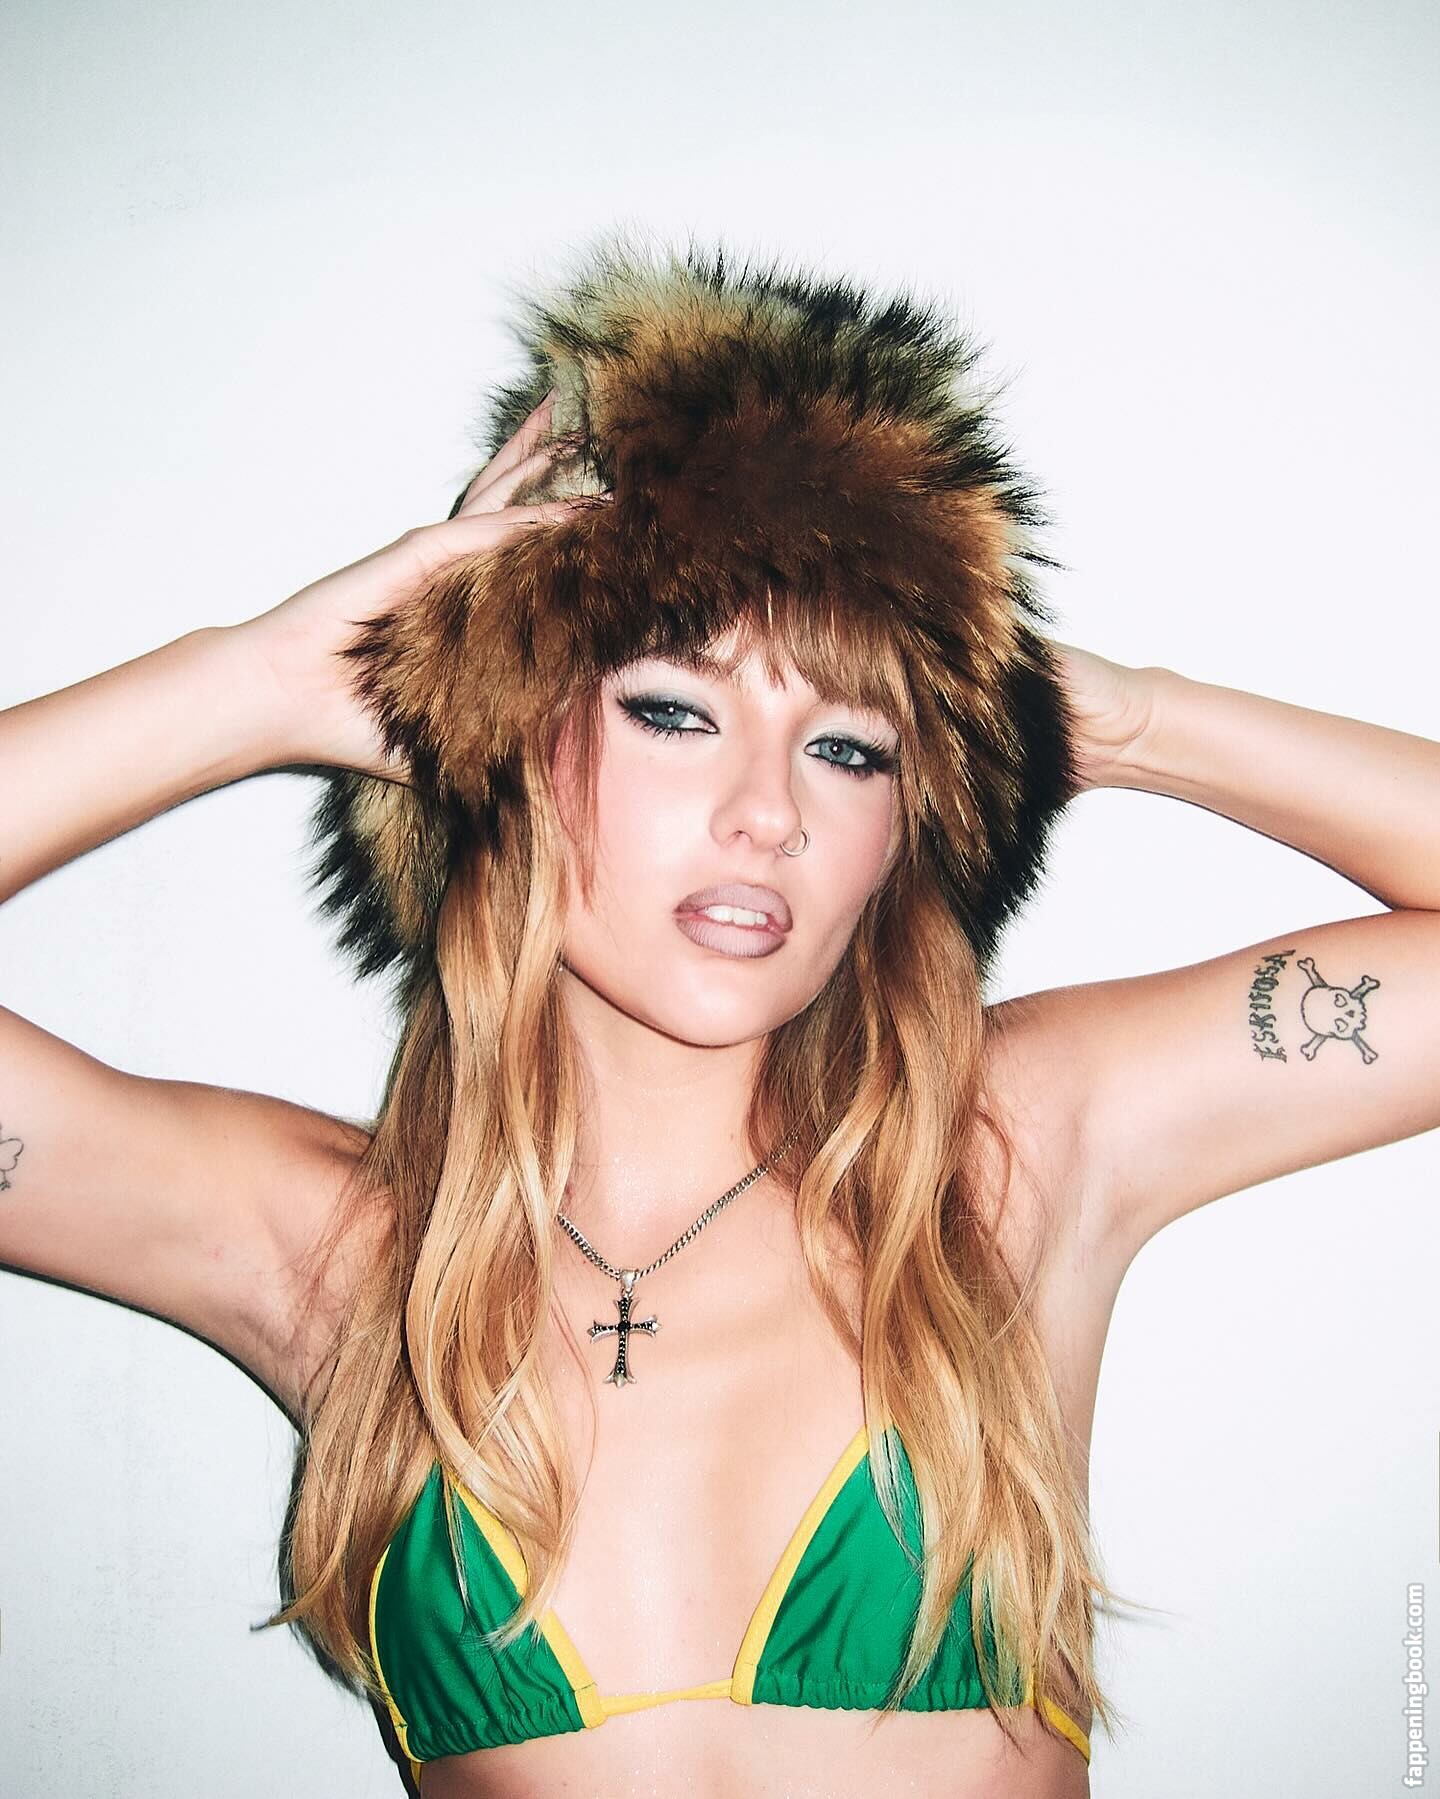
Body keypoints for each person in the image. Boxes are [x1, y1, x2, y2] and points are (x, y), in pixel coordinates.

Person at [4, 236, 1437, 1799]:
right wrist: (267, 686)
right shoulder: (341, 1259)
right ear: (515, 748)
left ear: (905, 828)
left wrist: (1129, 720)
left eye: (851, 750)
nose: (770, 812)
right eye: (674, 711)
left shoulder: (1001, 1165)